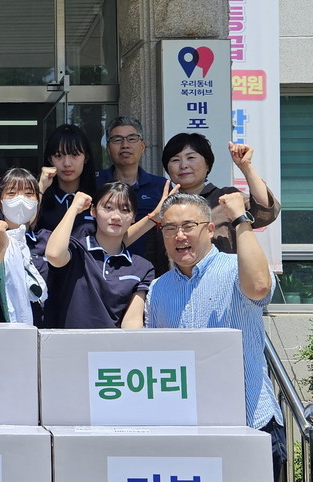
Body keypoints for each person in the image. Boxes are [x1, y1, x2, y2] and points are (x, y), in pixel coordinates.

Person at [145, 192, 285, 482]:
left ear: (209, 229)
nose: (179, 236)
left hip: (250, 420)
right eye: (170, 228)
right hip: (188, 431)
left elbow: (259, 286)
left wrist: (240, 219)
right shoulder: (158, 289)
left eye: (188, 226)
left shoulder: (237, 268)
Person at [147, 132, 281, 275]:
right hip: (176, 285)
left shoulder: (226, 198)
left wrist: (246, 166)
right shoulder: (161, 208)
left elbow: (265, 211)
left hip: (225, 282)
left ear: (207, 164)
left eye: (191, 157)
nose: (183, 165)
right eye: (175, 160)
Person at [43, 182, 154, 329]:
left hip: (113, 343)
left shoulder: (142, 267)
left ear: (133, 216)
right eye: (108, 208)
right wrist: (74, 208)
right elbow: (53, 255)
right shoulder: (76, 250)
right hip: (69, 342)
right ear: (93, 211)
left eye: (125, 210)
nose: (116, 216)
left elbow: (132, 321)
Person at [0, 168, 50, 325]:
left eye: (28, 194)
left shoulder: (47, 241)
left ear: (37, 201)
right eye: (12, 193)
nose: (21, 199)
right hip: (0, 333)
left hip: (44, 331)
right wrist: (1, 246)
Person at [94, 116, 169, 257]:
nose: (125, 145)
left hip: (150, 267)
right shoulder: (95, 184)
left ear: (143, 146)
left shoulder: (161, 187)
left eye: (132, 139)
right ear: (108, 148)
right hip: (102, 264)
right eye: (117, 140)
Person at [36, 123, 98, 233]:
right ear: (50, 159)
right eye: (58, 156)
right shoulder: (42, 198)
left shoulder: (99, 198)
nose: (67, 163)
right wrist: (40, 188)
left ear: (86, 158)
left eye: (74, 154)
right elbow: (24, 227)